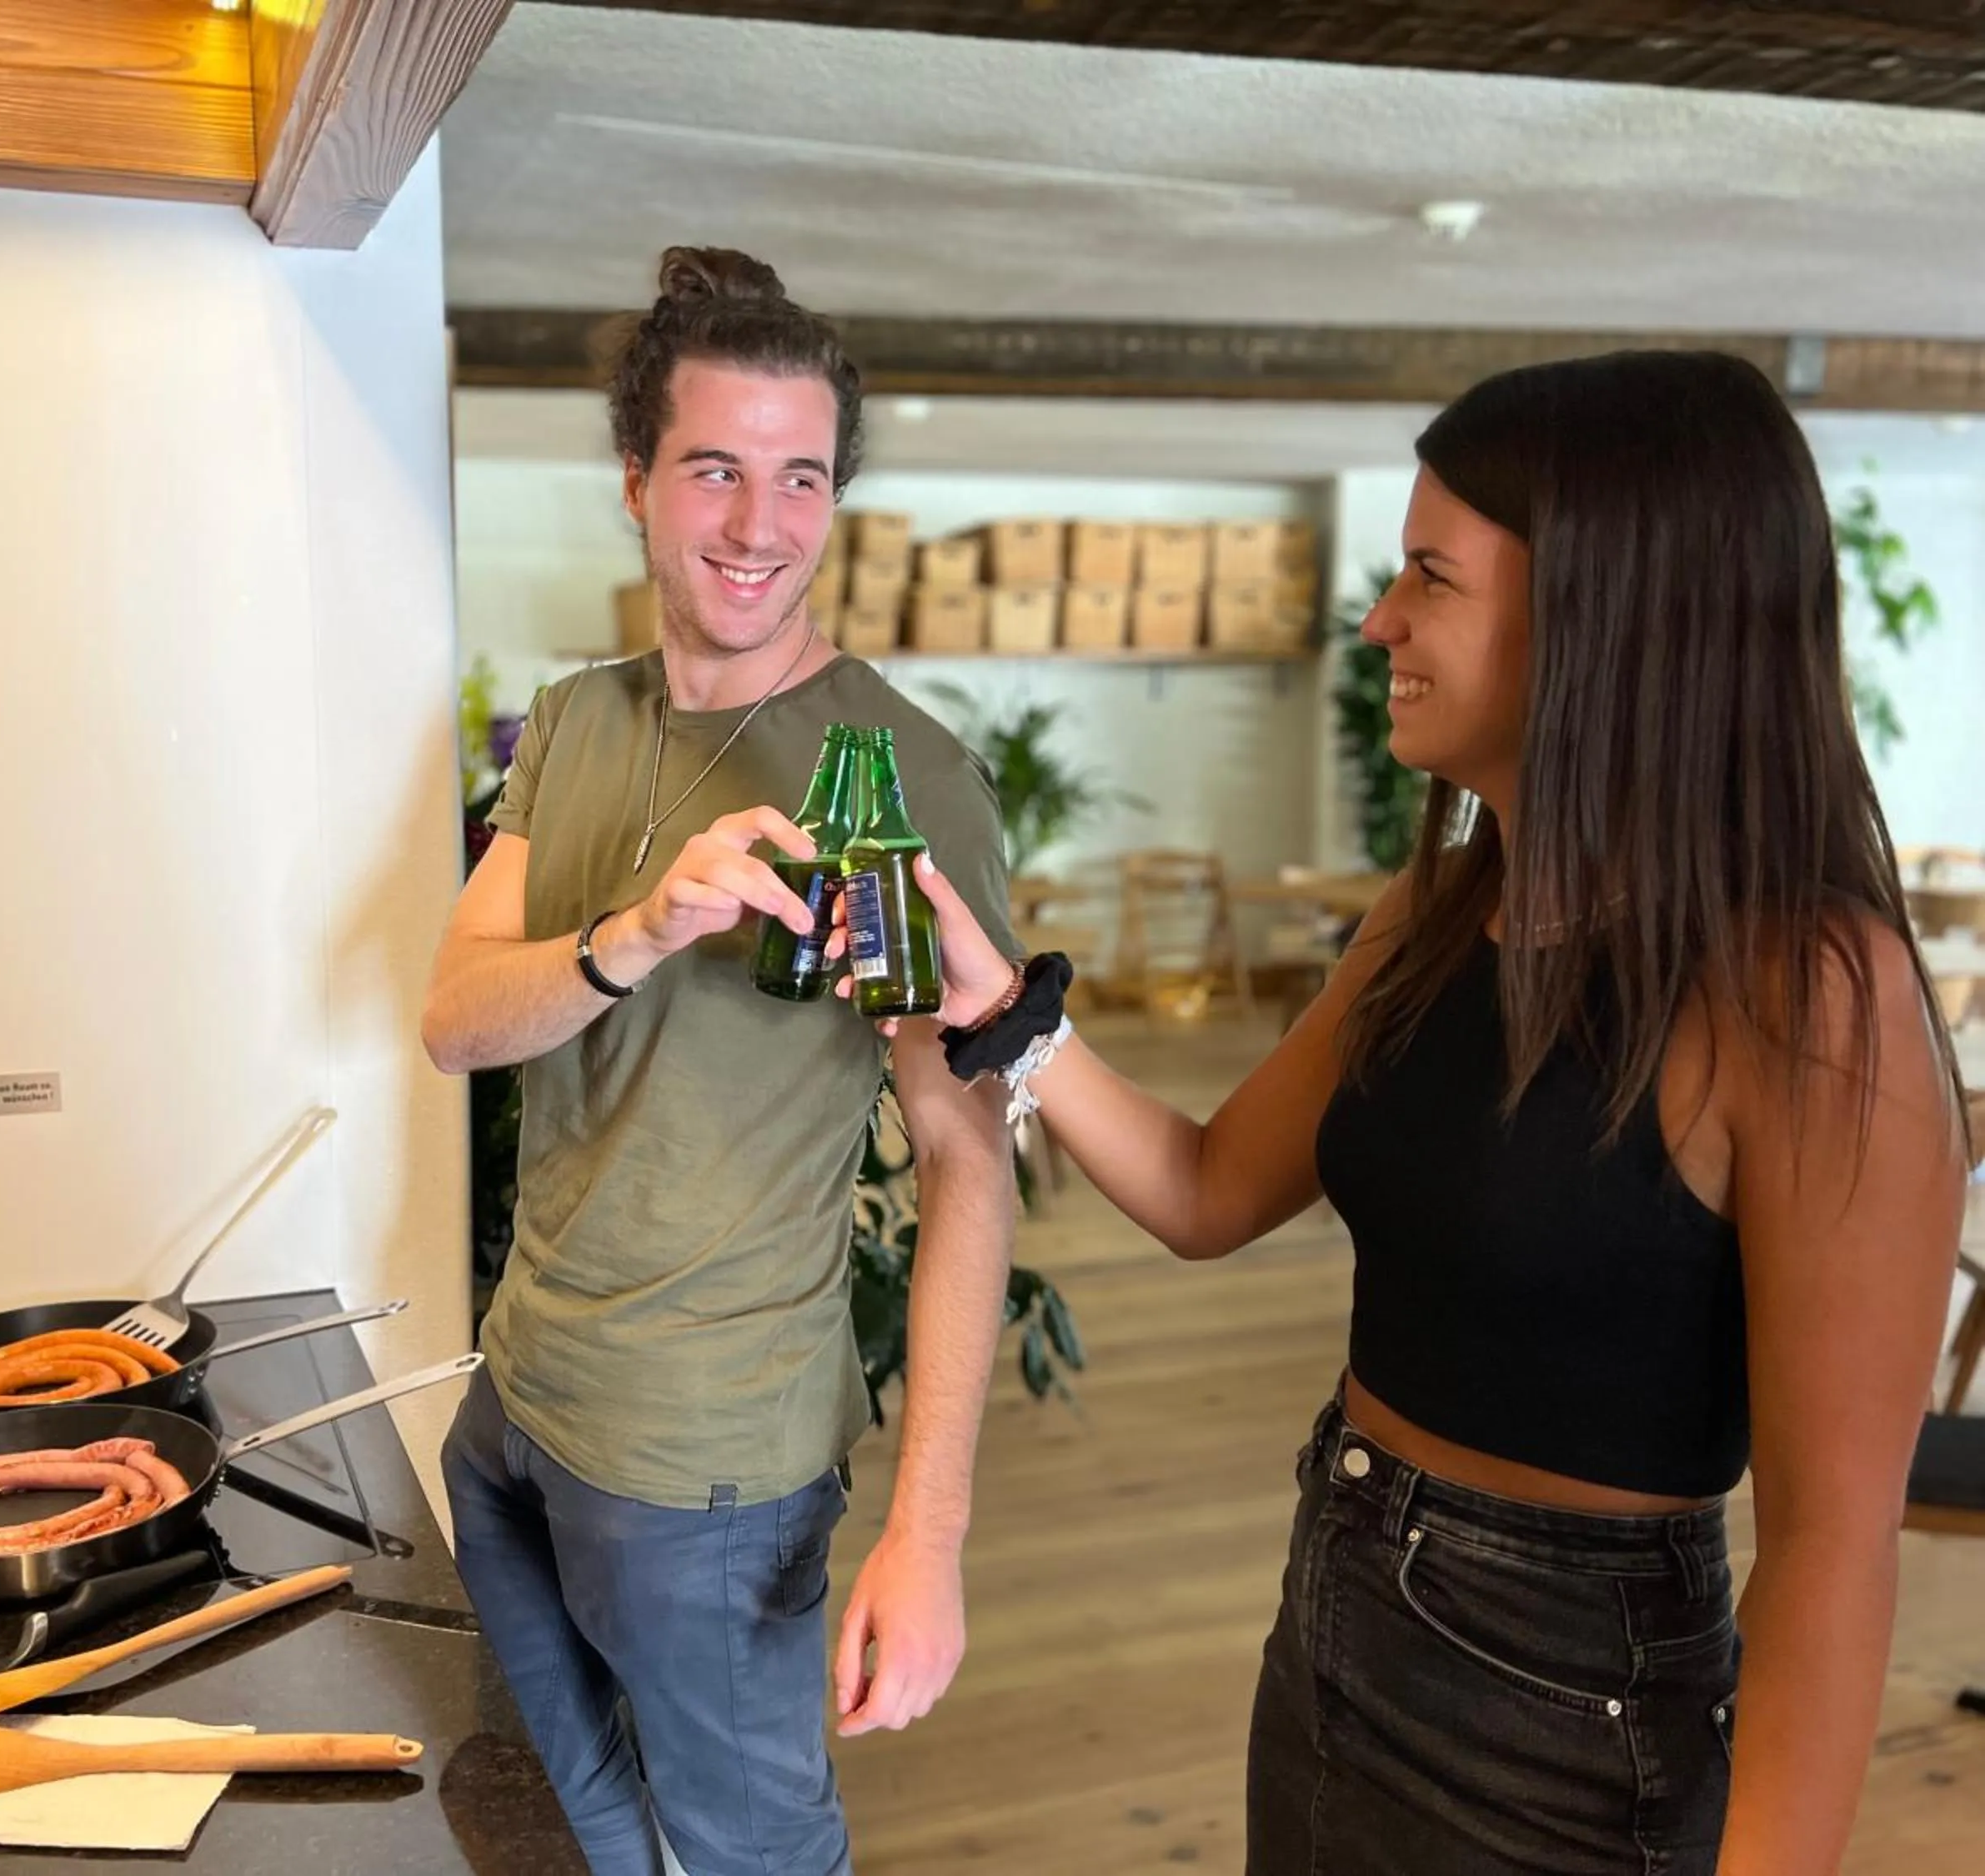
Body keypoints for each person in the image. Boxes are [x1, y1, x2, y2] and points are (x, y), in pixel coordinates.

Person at [843, 351, 1969, 1874]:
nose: (1380, 623)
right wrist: (1009, 1021)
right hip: (1341, 1613)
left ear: (1598, 615)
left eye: (1428, 576)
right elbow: (1203, 1187)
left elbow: (1835, 1557)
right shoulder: (1441, 904)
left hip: (1577, 1712)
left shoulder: (1813, 993)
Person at [420, 245, 1019, 1876]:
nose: (760, 527)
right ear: (636, 482)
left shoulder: (887, 778)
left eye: (802, 478)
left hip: (710, 1481)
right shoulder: (580, 718)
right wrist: (638, 930)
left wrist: (933, 1529)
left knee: (755, 1859)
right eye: (716, 472)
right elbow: (455, 1017)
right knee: (592, 1829)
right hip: (515, 1408)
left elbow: (967, 1154)